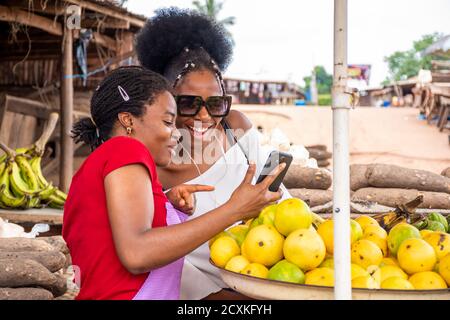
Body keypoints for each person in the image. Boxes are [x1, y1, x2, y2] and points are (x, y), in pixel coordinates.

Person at [62, 66, 283, 300]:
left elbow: (109, 235)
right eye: (168, 122)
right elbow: (137, 253)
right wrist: (235, 209)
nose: (177, 134)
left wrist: (165, 206)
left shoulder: (109, 161)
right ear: (128, 120)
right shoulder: (124, 149)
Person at [135, 8, 292, 300]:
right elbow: (146, 241)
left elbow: (270, 194)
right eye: (189, 103)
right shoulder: (152, 159)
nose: (204, 116)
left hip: (263, 262)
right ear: (166, 99)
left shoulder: (236, 126)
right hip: (199, 284)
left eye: (216, 103)